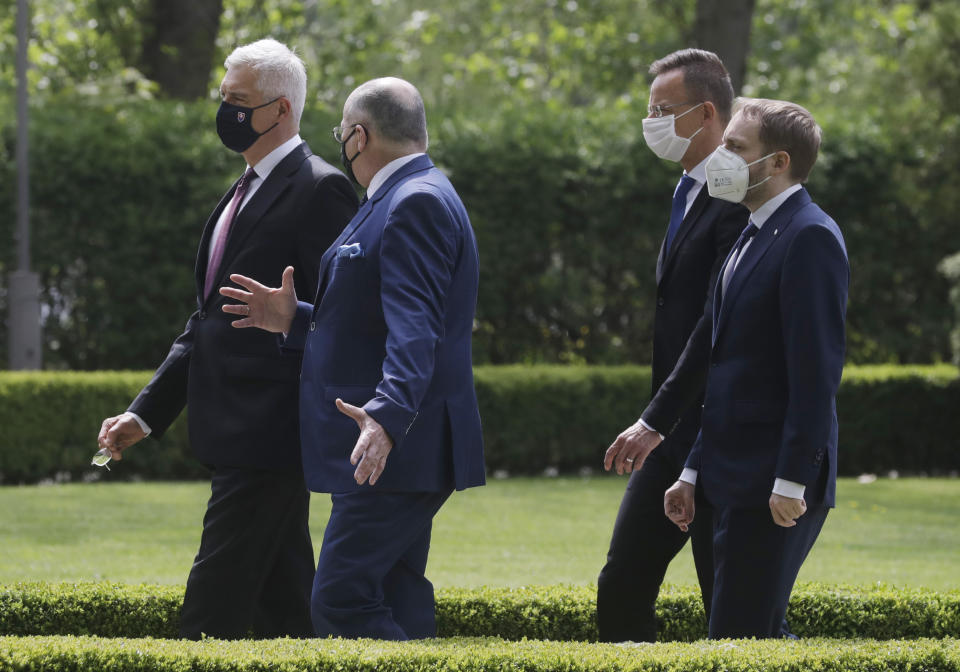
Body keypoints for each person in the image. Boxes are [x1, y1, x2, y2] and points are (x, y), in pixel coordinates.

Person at [96, 38, 358, 639]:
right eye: (224, 99)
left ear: (280, 111)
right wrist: (145, 414)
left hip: (272, 432)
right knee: (284, 607)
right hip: (234, 430)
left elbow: (347, 320)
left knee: (209, 612)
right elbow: (207, 323)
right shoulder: (240, 191)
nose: (226, 112)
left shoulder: (321, 189)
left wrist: (294, 315)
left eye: (238, 101)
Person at [220, 76, 485, 640]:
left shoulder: (414, 200)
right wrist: (296, 317)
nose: (342, 144)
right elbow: (376, 319)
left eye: (341, 134)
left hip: (390, 450)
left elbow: (418, 331)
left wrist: (386, 418)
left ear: (359, 136)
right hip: (396, 449)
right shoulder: (408, 193)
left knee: (340, 602)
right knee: (396, 592)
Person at [664, 98, 849, 639]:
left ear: (778, 163)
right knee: (748, 636)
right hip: (727, 478)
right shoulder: (750, 229)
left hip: (773, 485)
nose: (720, 155)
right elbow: (726, 369)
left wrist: (792, 479)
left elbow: (815, 374)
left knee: (742, 638)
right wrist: (692, 471)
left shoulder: (809, 236)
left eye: (735, 147)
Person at [597, 49, 746, 642]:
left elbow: (717, 320)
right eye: (649, 109)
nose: (651, 121)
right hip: (669, 429)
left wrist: (655, 418)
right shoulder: (686, 188)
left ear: (706, 113)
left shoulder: (736, 194)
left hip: (718, 432)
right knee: (623, 584)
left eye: (664, 110)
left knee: (729, 608)